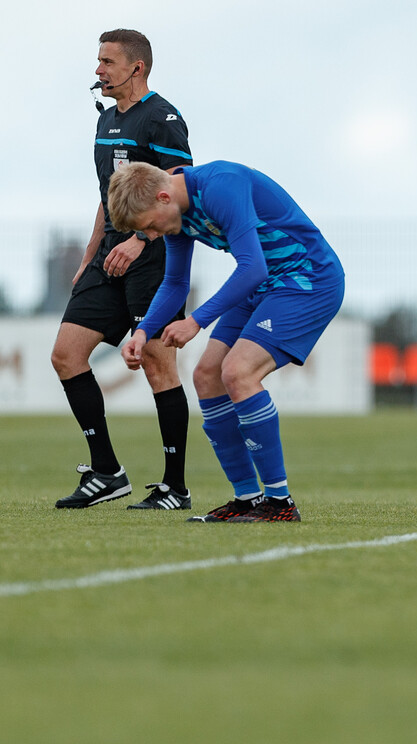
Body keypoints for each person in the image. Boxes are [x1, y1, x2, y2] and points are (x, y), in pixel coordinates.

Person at [108, 160, 346, 522]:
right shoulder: (175, 212)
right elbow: (175, 284)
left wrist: (197, 321)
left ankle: (280, 504)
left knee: (237, 371)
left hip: (306, 278)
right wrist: (143, 332)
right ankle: (247, 499)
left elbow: (252, 266)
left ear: (163, 195)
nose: (153, 235)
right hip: (264, 285)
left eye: (151, 226)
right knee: (207, 375)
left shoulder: (221, 185)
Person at [53, 29, 193, 511]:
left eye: (107, 62)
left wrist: (140, 239)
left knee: (156, 361)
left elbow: (178, 190)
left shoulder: (164, 119)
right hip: (109, 256)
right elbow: (107, 196)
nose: (98, 70)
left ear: (137, 67)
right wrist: (92, 253)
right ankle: (107, 471)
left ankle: (175, 486)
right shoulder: (106, 120)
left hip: (153, 256)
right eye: (98, 61)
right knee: (66, 354)